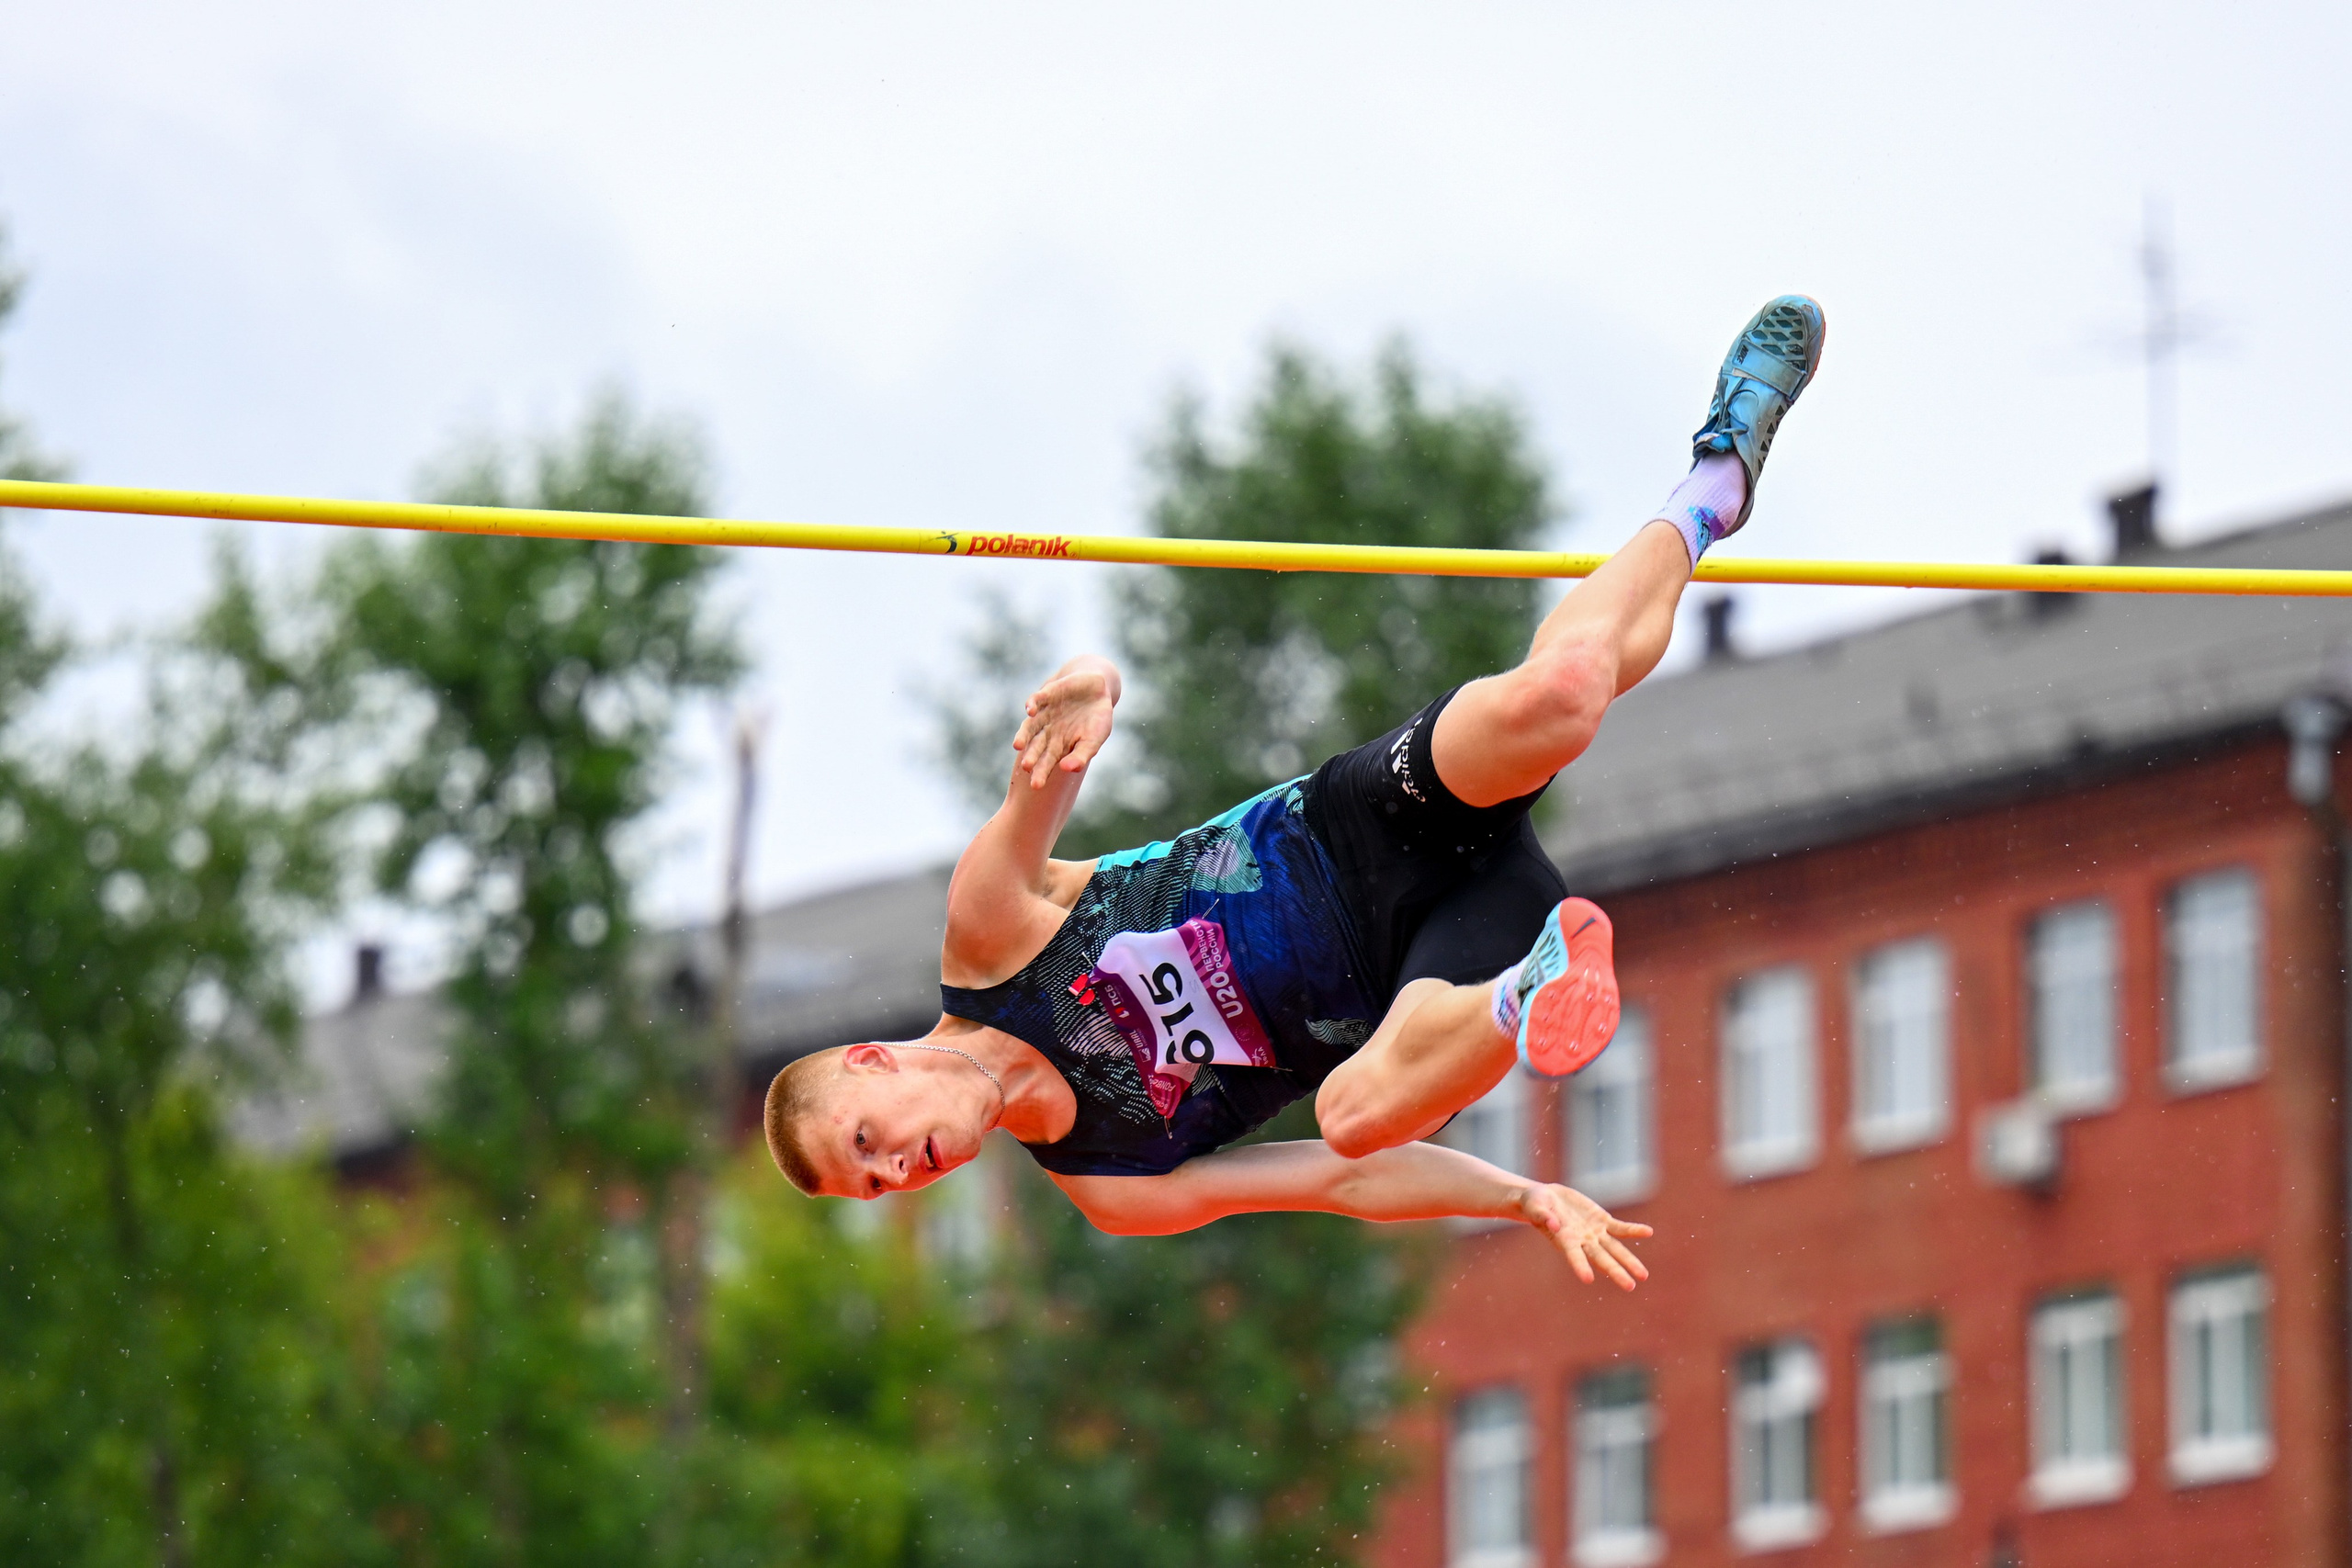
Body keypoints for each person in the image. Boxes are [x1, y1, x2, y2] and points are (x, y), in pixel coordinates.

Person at [763, 296, 1826, 1290]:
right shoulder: (1105, 1182)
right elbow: (1342, 1181)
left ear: (871, 1062)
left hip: (1353, 828)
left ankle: (1712, 486)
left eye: (870, 1142)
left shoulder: (989, 940)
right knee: (1357, 1115)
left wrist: (1089, 692)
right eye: (878, 1186)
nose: (901, 1171)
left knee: (1560, 691)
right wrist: (1525, 1199)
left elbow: (1044, 778)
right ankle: (1530, 988)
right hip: (1432, 967)